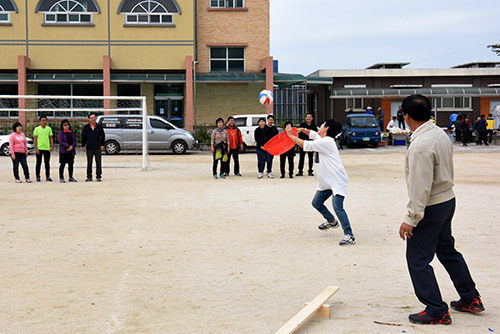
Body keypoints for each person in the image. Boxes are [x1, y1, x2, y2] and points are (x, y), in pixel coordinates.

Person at [398, 94, 484, 325]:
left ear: (406, 116)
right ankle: (470, 297)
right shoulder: (439, 134)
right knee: (446, 250)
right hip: (447, 200)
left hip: (431, 205)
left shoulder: (420, 145)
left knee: (417, 259)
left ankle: (436, 309)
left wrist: (411, 218)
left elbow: (420, 186)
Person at [286, 119, 355, 246]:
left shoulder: (327, 141)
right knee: (316, 203)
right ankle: (332, 221)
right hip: (326, 181)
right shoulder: (322, 139)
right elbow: (314, 135)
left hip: (337, 180)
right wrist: (304, 130)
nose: (320, 126)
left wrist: (291, 136)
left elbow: (305, 145)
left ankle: (349, 234)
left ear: (326, 128)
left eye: (322, 124)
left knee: (337, 206)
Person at [81, 113, 105, 182]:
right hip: (89, 147)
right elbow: (83, 137)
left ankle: (98, 176)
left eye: (94, 117)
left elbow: (102, 136)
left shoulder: (99, 127)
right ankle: (89, 176)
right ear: (89, 119)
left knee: (98, 162)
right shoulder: (86, 127)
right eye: (92, 118)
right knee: (89, 162)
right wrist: (83, 145)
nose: (93, 119)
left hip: (97, 147)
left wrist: (102, 145)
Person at [33, 115, 54, 182]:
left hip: (47, 148)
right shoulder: (37, 129)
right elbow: (35, 139)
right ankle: (38, 176)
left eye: (45, 120)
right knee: (38, 162)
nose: (44, 122)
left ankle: (47, 176)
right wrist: (36, 148)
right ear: (40, 121)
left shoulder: (48, 129)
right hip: (39, 148)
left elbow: (51, 138)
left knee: (47, 163)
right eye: (42, 120)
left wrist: (51, 146)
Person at [296, 112, 317, 177]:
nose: (308, 118)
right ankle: (300, 171)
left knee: (310, 158)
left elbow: (315, 134)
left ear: (312, 118)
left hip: (311, 143)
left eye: (309, 117)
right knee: (301, 158)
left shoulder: (314, 126)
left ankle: (310, 171)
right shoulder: (302, 125)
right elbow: (299, 134)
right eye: (307, 117)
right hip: (303, 143)